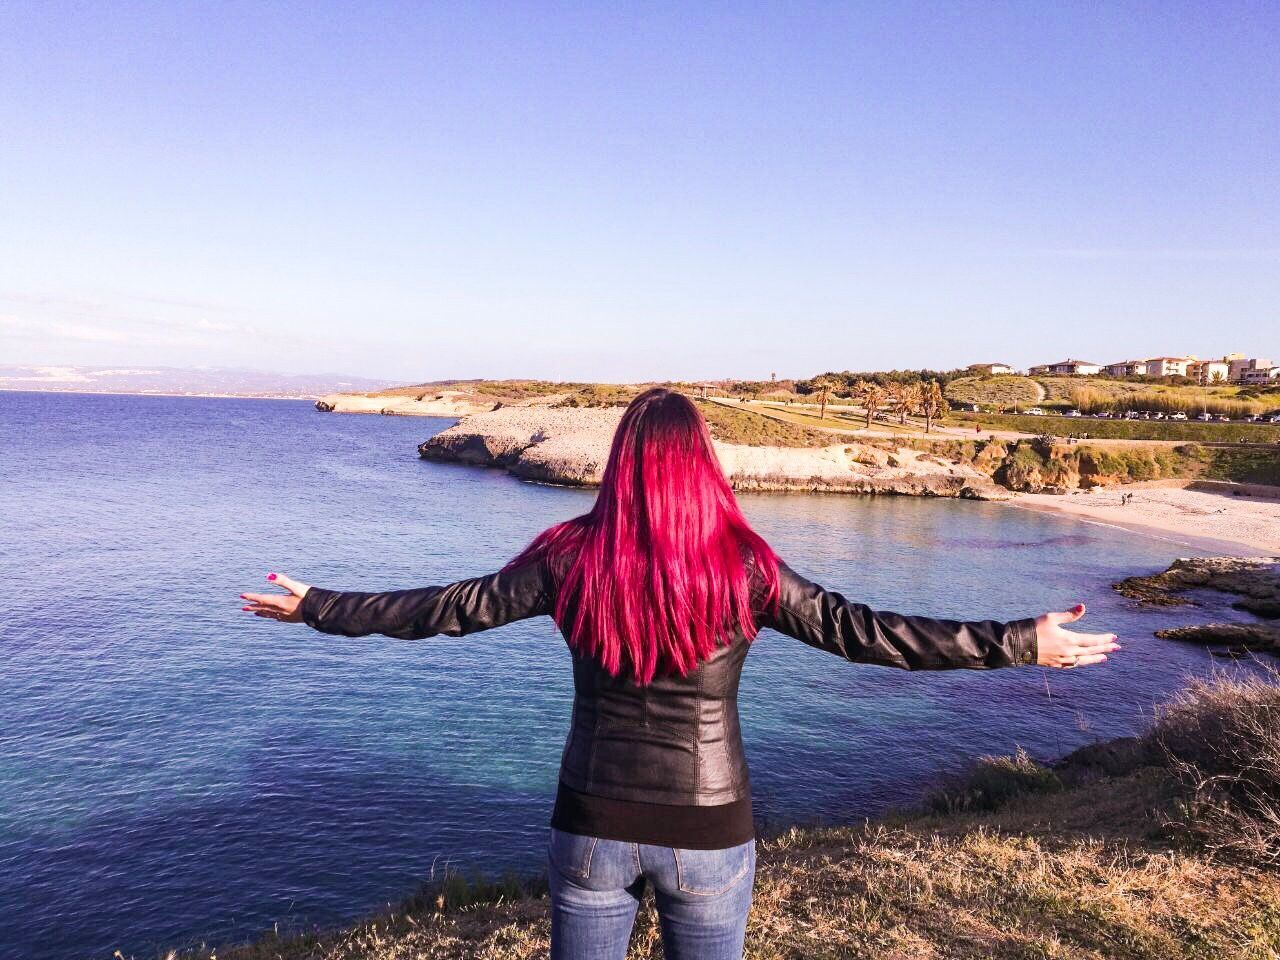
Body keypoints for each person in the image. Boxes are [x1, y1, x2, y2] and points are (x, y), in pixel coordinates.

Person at [241, 388, 1119, 960]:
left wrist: (318, 602)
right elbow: (869, 633)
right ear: (703, 464)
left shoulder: (570, 556)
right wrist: (1017, 639)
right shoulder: (745, 564)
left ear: (621, 461)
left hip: (590, 824)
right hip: (710, 828)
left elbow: (444, 609)